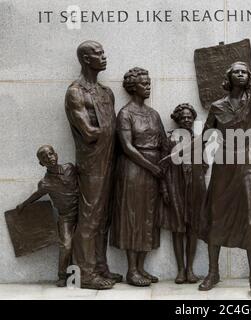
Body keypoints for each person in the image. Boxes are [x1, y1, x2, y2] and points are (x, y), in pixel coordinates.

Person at [198, 44, 251, 298]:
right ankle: (213, 272)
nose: (241, 75)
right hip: (223, 167)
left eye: (245, 72)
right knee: (216, 217)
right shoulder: (217, 106)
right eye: (236, 72)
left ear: (249, 79)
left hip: (247, 165)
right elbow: (206, 135)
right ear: (228, 78)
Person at [65, 41, 121, 290]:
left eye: (102, 51)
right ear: (86, 59)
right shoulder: (75, 92)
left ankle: (100, 266)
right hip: (91, 163)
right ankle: (85, 273)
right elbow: (88, 132)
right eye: (98, 53)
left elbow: (111, 129)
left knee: (104, 217)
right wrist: (108, 131)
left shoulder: (106, 92)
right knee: (89, 217)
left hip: (110, 159)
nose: (103, 56)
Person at [110, 67, 169, 287]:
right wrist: (152, 167)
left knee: (148, 217)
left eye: (149, 82)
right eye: (144, 83)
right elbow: (126, 147)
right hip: (133, 170)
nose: (148, 86)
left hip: (153, 170)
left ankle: (142, 267)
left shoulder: (153, 114)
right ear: (133, 87)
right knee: (132, 217)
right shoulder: (125, 113)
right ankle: (131, 270)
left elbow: (163, 140)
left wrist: (169, 154)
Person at [17, 145, 79, 287]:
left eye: (50, 154)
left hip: (83, 213)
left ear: (56, 154)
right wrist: (23, 205)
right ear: (41, 163)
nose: (49, 158)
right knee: (66, 245)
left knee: (83, 245)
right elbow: (35, 196)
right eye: (44, 158)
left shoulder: (70, 168)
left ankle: (81, 274)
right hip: (66, 217)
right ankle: (63, 275)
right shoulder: (45, 183)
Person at [159, 103, 207, 284]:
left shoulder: (198, 139)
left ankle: (190, 270)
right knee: (178, 229)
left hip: (194, 188)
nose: (187, 120)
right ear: (177, 120)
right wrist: (164, 189)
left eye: (189, 117)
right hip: (175, 187)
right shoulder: (170, 140)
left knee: (193, 229)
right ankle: (180, 270)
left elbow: (204, 164)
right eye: (183, 117)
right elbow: (161, 167)